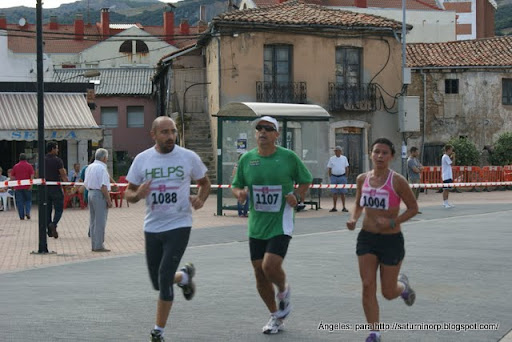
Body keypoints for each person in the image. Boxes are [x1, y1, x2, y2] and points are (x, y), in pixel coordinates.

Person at [124, 117, 211, 342]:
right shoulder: (143, 160)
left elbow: (205, 183)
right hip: (152, 226)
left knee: (163, 277)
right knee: (157, 280)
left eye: (172, 132)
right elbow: (128, 193)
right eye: (164, 132)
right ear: (153, 135)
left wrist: (200, 199)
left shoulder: (188, 157)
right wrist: (138, 194)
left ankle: (158, 331)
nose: (170, 136)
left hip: (179, 224)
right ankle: (184, 276)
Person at [232, 116, 312, 335]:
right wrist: (239, 193)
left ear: (277, 135)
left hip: (281, 221)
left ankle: (284, 291)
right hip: (257, 223)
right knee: (259, 273)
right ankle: (276, 316)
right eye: (259, 128)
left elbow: (306, 180)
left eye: (268, 129)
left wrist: (297, 195)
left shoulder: (288, 157)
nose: (262, 132)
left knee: (270, 266)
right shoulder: (247, 159)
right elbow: (236, 184)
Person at [346, 138, 418, 342]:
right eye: (376, 152)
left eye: (384, 153)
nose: (380, 156)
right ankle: (374, 333)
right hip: (367, 238)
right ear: (370, 153)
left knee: (388, 292)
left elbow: (413, 208)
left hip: (391, 240)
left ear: (392, 157)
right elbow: (359, 203)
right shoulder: (362, 179)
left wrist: (393, 222)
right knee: (368, 284)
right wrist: (353, 218)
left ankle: (402, 286)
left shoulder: (397, 181)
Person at [84, 149, 113, 252]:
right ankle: (99, 245)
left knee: (93, 220)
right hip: (99, 194)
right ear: (104, 158)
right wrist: (109, 200)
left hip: (90, 193)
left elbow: (86, 183)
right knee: (100, 220)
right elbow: (104, 186)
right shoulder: (102, 168)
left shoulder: (89, 167)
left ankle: (94, 244)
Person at [45, 141, 68, 239]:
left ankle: (49, 231)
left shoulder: (42, 160)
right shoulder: (58, 161)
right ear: (53, 149)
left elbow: (37, 173)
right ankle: (54, 224)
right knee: (59, 209)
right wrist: (67, 185)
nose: (58, 150)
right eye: (57, 148)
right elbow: (63, 174)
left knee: (47, 210)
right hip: (56, 188)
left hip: (45, 188)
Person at [11, 153, 35, 220]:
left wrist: (12, 185)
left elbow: (12, 176)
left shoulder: (15, 166)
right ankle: (27, 212)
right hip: (27, 186)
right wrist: (31, 184)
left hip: (18, 187)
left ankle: (21, 216)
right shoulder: (29, 166)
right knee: (28, 200)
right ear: (26, 159)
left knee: (20, 202)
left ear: (19, 158)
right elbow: (32, 175)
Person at [327, 145, 350, 213]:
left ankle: (344, 206)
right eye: (335, 151)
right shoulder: (332, 158)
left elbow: (346, 167)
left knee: (343, 192)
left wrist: (346, 176)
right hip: (334, 177)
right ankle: (334, 207)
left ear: (340, 152)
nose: (336, 152)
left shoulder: (344, 158)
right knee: (334, 192)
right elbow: (329, 168)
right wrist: (330, 176)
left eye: (337, 151)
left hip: (342, 176)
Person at [407, 146, 423, 214]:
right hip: (413, 179)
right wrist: (419, 169)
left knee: (416, 195)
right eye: (416, 152)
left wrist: (419, 168)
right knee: (412, 195)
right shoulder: (410, 160)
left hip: (418, 179)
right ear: (412, 152)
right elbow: (415, 170)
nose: (417, 153)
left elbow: (421, 167)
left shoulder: (416, 159)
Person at [441, 144, 455, 208]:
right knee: (445, 189)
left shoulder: (447, 157)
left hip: (449, 175)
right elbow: (452, 163)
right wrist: (453, 157)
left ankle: (446, 202)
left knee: (448, 189)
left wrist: (451, 157)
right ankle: (444, 202)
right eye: (451, 150)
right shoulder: (445, 156)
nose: (452, 151)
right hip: (446, 175)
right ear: (448, 150)